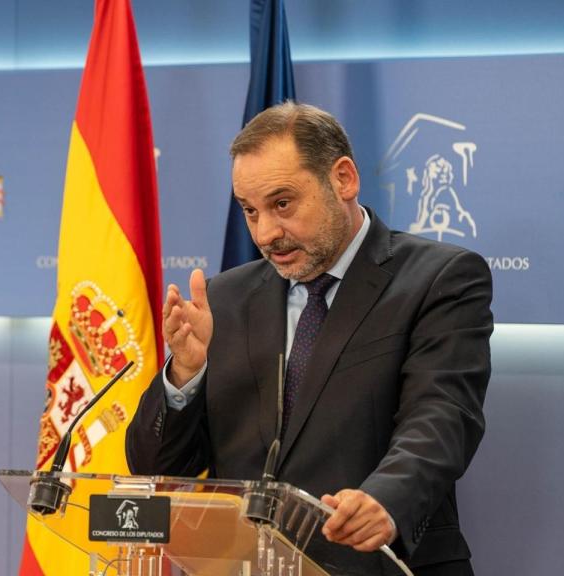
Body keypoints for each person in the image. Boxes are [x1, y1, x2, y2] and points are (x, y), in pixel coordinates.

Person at [126, 102, 492, 575]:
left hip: (380, 564)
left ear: (343, 179)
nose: (265, 233)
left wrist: (385, 499)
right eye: (250, 211)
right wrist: (185, 374)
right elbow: (156, 466)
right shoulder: (226, 298)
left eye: (282, 204)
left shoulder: (439, 278)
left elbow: (443, 416)